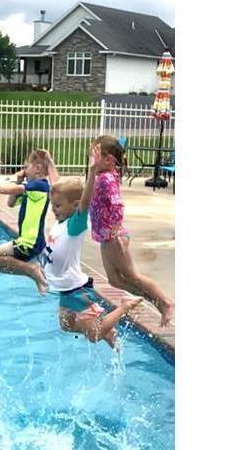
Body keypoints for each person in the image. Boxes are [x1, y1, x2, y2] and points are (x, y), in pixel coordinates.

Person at [28, 177, 144, 347]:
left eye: (58, 206)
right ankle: (107, 331)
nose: (53, 209)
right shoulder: (60, 223)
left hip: (77, 290)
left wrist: (93, 171)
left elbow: (84, 203)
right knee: (66, 325)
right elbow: (59, 186)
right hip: (65, 290)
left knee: (94, 335)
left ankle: (124, 306)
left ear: (75, 205)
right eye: (53, 205)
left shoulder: (74, 226)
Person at [81, 135, 175, 327]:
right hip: (106, 237)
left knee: (132, 276)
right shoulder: (103, 175)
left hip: (113, 237)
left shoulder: (106, 178)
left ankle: (165, 302)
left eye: (95, 155)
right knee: (114, 280)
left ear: (108, 159)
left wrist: (115, 229)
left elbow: (117, 204)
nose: (91, 159)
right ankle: (154, 300)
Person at [0, 149, 52, 295]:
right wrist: (18, 180)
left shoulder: (41, 186)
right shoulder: (30, 191)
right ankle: (34, 274)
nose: (24, 171)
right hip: (27, 241)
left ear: (37, 168)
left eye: (26, 167)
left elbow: (13, 190)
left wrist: (0, 188)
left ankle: (32, 269)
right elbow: (10, 203)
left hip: (30, 242)